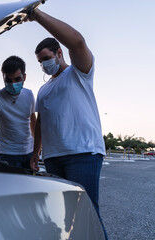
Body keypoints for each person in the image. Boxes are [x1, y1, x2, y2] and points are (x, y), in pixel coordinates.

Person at [28, 9, 108, 238]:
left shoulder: (79, 72)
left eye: (46, 58)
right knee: (65, 219)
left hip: (83, 153)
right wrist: (36, 153)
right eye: (40, 61)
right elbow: (41, 122)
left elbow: (78, 41)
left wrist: (36, 15)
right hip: (53, 158)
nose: (44, 64)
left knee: (88, 215)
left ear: (59, 53)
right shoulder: (43, 90)